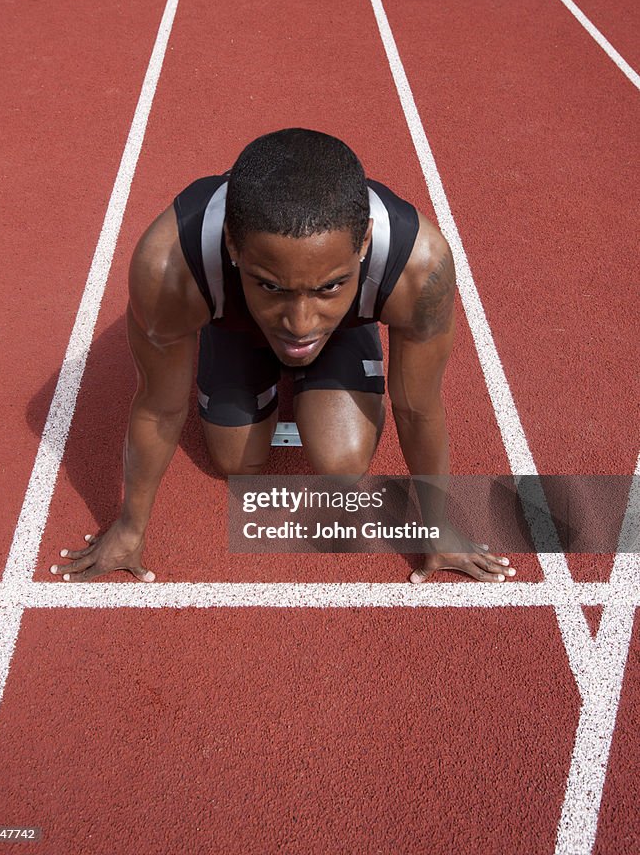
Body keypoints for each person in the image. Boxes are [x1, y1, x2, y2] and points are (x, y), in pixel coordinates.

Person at [52, 128, 515, 584]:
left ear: (366, 242)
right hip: (234, 317)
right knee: (236, 463)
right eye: (271, 285)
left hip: (342, 328)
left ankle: (333, 321)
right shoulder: (170, 267)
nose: (300, 323)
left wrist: (437, 527)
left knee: (344, 464)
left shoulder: (421, 265)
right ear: (232, 244)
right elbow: (158, 404)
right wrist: (130, 528)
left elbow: (417, 407)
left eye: (329, 285)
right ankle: (225, 322)